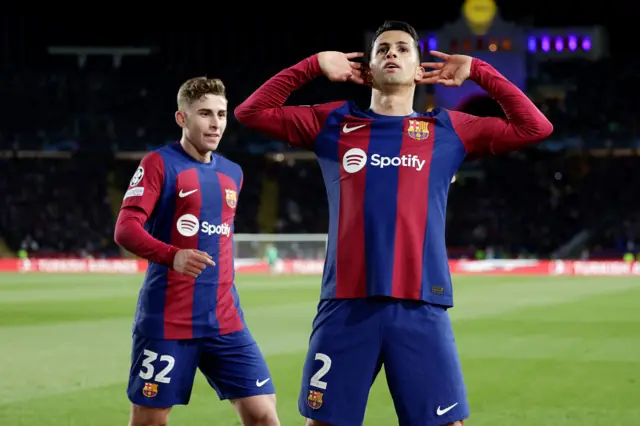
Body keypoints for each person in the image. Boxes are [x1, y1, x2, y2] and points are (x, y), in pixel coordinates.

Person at [235, 20, 553, 426]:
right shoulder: (333, 122)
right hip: (346, 306)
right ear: (366, 70)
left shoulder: (448, 129)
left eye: (403, 49)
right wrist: (313, 65)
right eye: (383, 48)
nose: (392, 54)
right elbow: (251, 113)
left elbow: (535, 128)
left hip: (420, 306)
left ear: (420, 69)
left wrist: (479, 71)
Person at [114, 77, 280, 426]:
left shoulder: (233, 172)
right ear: (182, 118)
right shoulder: (159, 163)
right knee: (149, 422)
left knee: (264, 415)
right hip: (167, 320)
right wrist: (173, 255)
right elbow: (125, 229)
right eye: (205, 113)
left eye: (221, 114)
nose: (216, 122)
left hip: (225, 321)